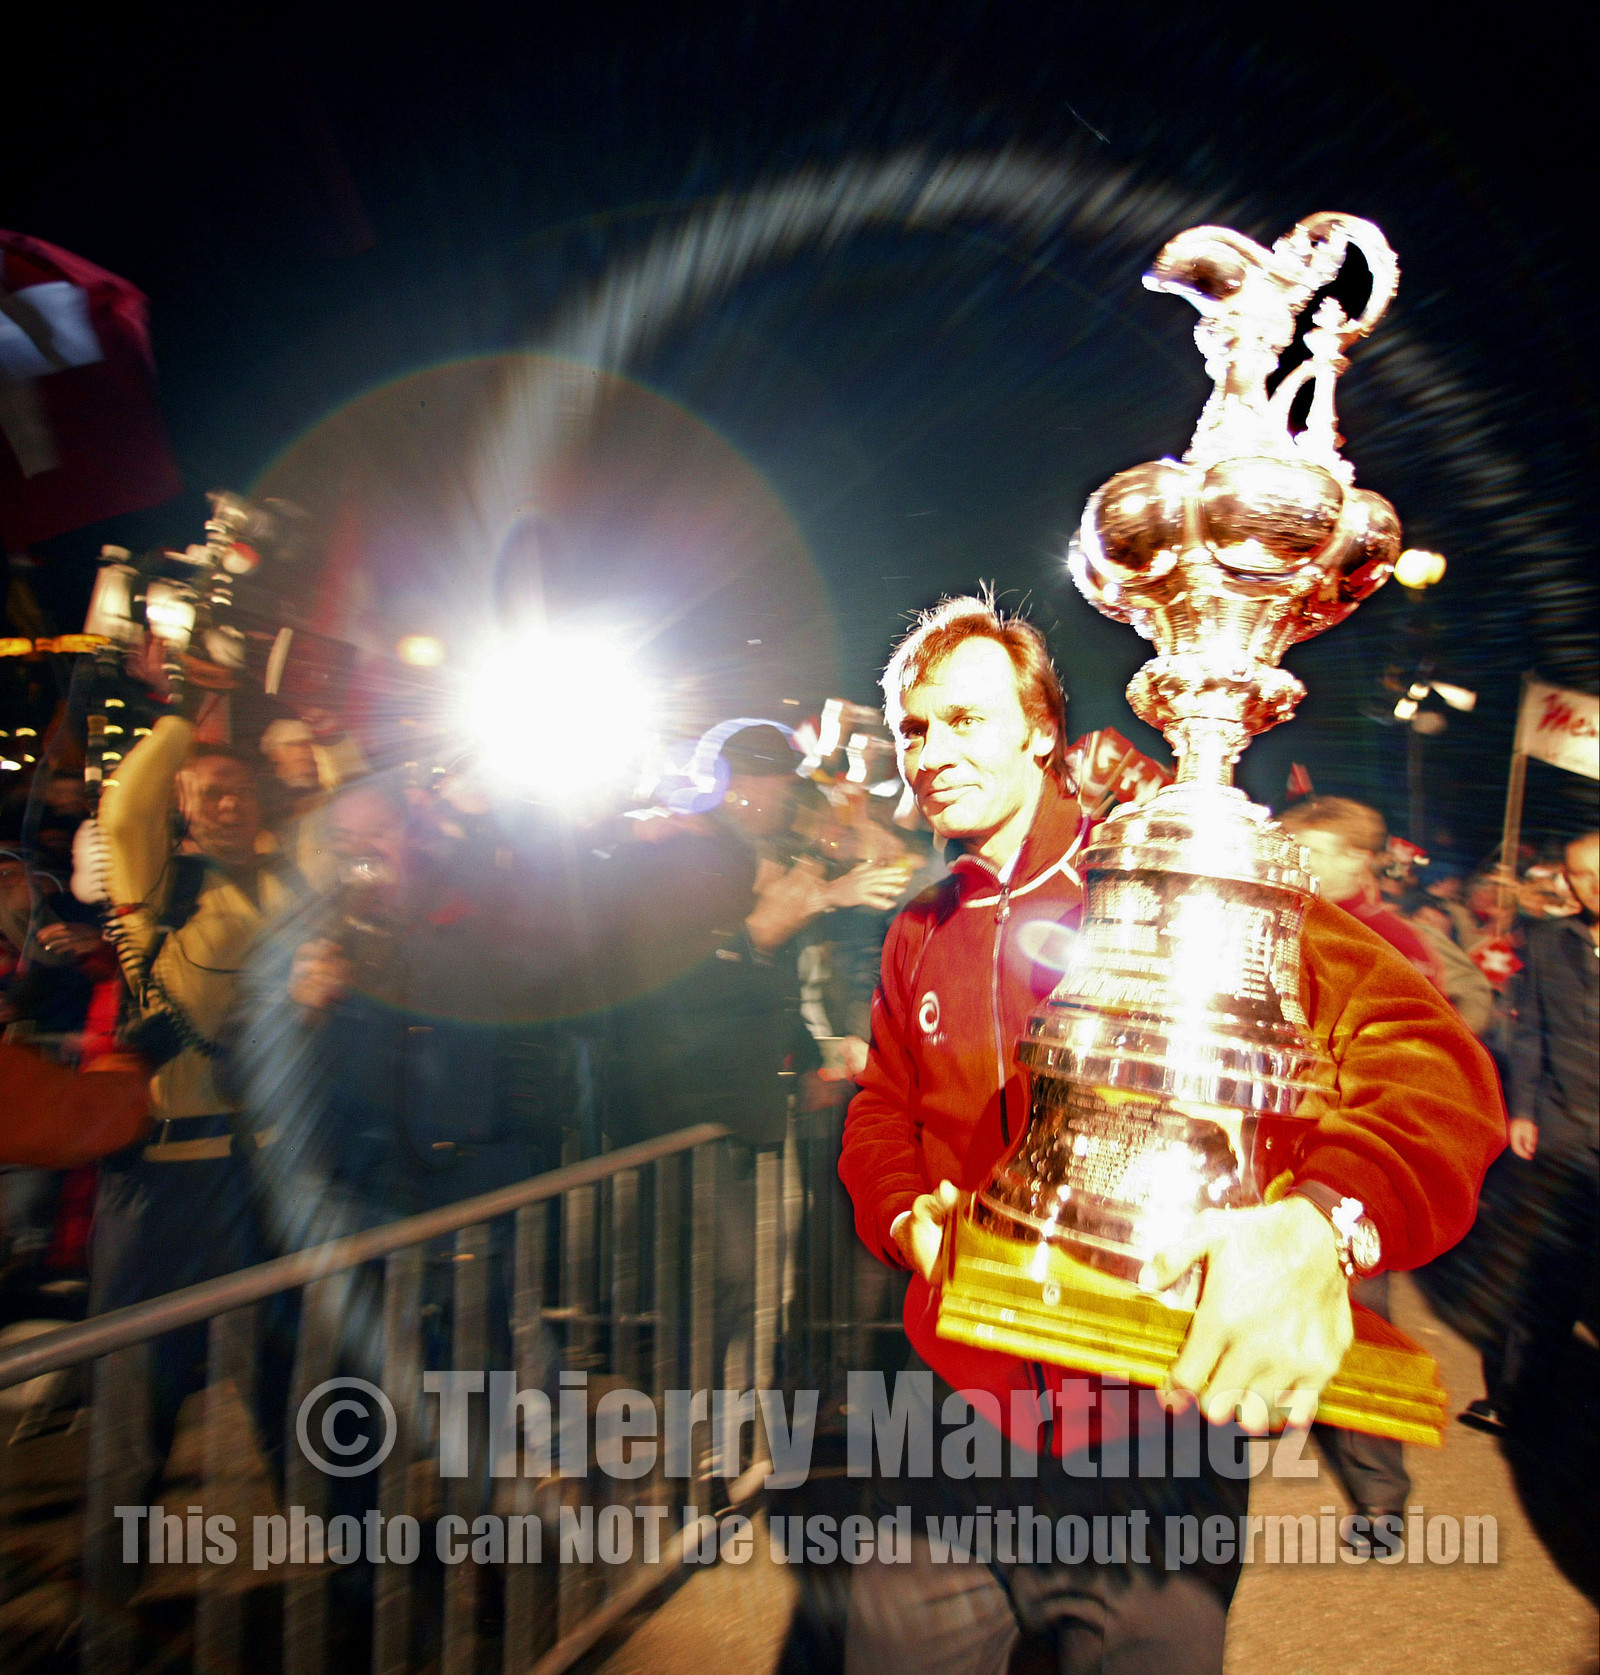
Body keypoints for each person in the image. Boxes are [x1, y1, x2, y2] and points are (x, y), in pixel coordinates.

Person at [838, 597, 1504, 1673]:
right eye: (914, 729)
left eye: (964, 719)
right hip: (952, 1408)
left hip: (1150, 1418)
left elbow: (1432, 1066)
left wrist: (1322, 1221)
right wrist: (898, 1209)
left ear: (1040, 730)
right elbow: (883, 1103)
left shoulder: (1175, 868)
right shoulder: (920, 924)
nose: (932, 752)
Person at [1461, 831, 1599, 1433]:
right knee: (1545, 1276)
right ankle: (1518, 1399)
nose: (1592, 886)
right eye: (1580, 874)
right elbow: (1530, 1031)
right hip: (1563, 1135)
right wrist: (1523, 1109)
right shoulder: (1546, 943)